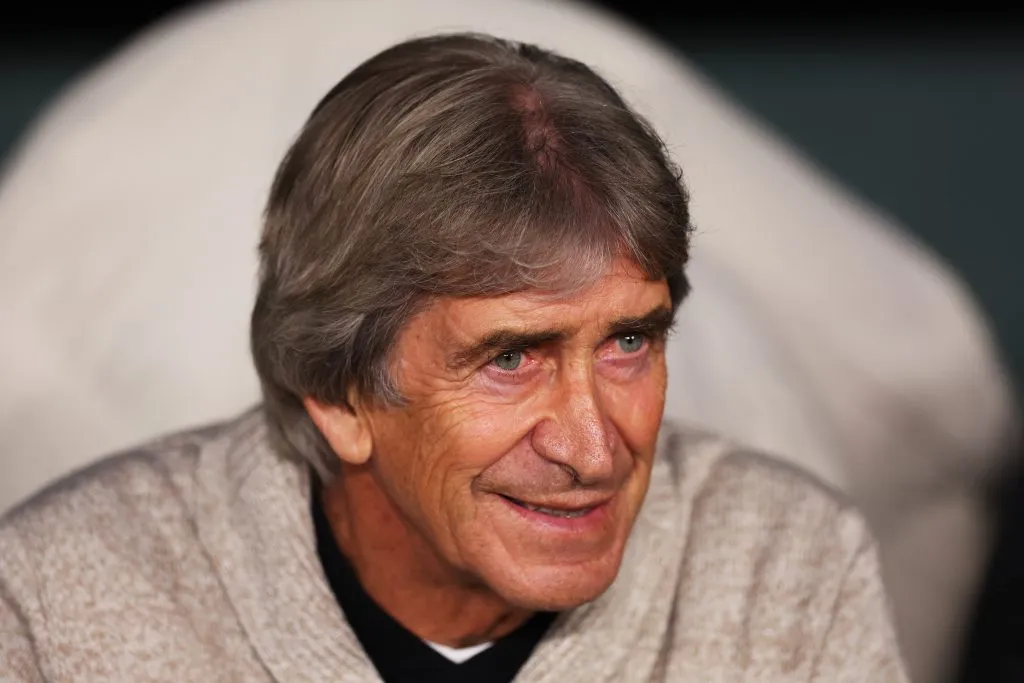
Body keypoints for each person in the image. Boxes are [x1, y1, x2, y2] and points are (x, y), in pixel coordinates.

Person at [0, 33, 907, 682]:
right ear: (337, 394)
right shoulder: (61, 604)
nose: (593, 449)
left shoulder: (788, 566)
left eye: (629, 341)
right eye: (512, 357)